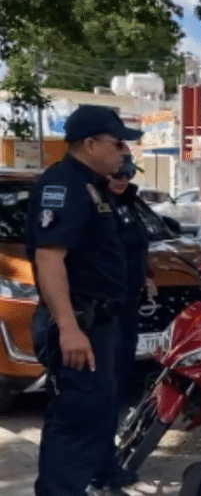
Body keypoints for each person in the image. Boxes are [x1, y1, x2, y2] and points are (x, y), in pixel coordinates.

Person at [26, 104, 143, 496]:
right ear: (90, 143)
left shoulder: (94, 186)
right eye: (117, 143)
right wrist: (69, 328)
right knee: (74, 421)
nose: (124, 150)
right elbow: (49, 257)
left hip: (102, 323)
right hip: (80, 325)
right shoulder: (64, 185)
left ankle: (97, 481)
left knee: (97, 413)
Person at [93, 155, 157, 493]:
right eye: (117, 172)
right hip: (104, 311)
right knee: (102, 390)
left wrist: (145, 276)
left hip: (129, 307)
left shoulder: (129, 204)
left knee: (116, 388)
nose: (122, 178)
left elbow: (135, 248)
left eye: (128, 173)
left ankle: (107, 462)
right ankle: (99, 468)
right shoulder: (96, 206)